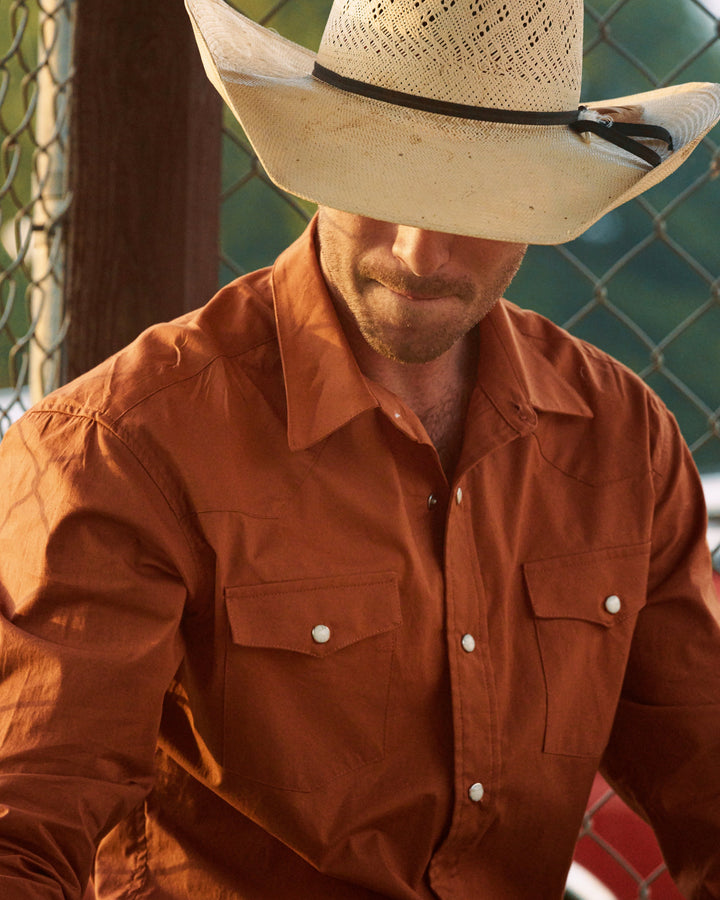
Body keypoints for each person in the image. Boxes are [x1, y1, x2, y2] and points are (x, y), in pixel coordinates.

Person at [0, 0, 719, 896]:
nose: (419, 252)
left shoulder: (622, 443)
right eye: (387, 181)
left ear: (544, 200)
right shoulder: (122, 447)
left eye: (476, 199)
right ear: (320, 161)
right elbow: (18, 837)